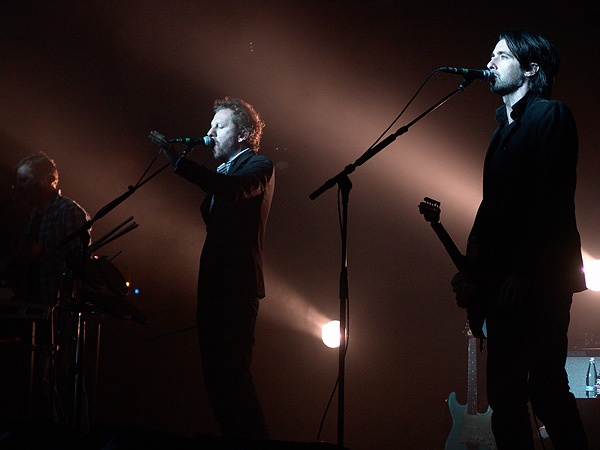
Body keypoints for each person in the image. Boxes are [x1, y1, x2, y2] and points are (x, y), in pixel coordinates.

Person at [451, 29, 588, 450]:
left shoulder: (552, 115)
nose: (490, 62)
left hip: (540, 282)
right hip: (501, 288)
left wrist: (525, 273)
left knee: (546, 390)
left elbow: (549, 202)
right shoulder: (499, 134)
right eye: (490, 54)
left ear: (531, 69)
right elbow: (490, 213)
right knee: (504, 400)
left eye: (502, 55)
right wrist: (473, 278)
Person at [149, 96, 274, 440]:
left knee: (233, 376)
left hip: (237, 288)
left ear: (244, 133)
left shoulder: (260, 165)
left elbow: (233, 191)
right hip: (214, 287)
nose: (209, 133)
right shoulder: (224, 172)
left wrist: (179, 163)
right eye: (210, 126)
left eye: (219, 126)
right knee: (216, 381)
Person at [0, 151, 90, 421]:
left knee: (63, 376)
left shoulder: (69, 212)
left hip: (61, 309)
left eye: (25, 180)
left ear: (47, 180)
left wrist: (43, 254)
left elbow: (82, 265)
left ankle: (74, 434)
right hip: (36, 308)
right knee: (37, 377)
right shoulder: (33, 217)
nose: (19, 187)